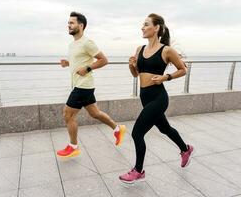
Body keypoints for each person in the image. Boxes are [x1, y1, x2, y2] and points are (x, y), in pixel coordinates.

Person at [119, 13, 194, 184]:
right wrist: (131, 66)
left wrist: (165, 78)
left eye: (146, 24)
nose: (142, 27)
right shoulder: (139, 49)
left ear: (156, 28)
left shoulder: (166, 50)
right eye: (142, 25)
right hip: (144, 96)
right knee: (165, 128)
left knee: (137, 132)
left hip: (159, 97)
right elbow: (136, 74)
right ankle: (185, 149)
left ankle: (138, 170)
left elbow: (182, 69)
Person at [57, 12, 126, 158]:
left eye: (72, 23)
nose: (68, 25)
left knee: (67, 114)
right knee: (95, 113)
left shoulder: (87, 42)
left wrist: (88, 68)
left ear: (81, 26)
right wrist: (68, 63)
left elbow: (103, 60)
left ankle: (73, 146)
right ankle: (118, 128)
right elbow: (79, 62)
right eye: (68, 23)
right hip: (81, 85)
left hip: (83, 86)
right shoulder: (72, 44)